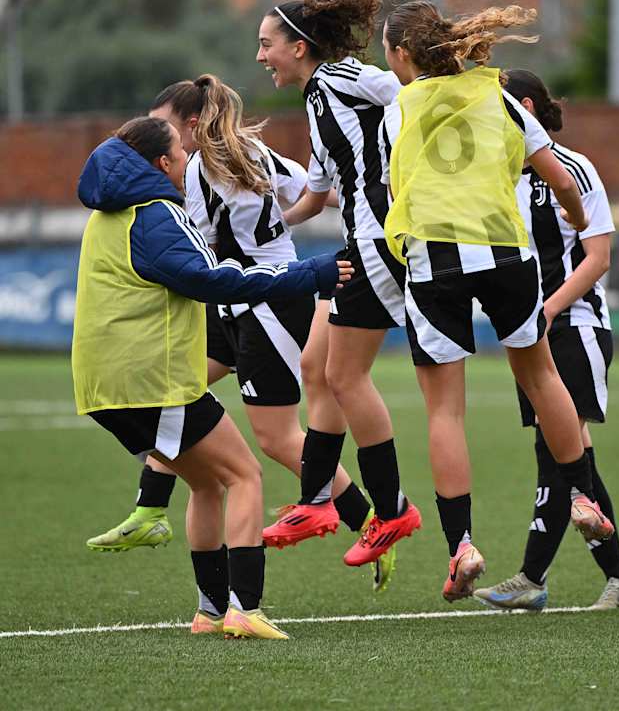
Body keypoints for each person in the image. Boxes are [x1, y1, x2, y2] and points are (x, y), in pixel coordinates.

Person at [85, 75, 394, 590]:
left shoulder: (204, 164)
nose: (157, 141)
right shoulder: (246, 154)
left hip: (262, 301)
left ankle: (367, 520)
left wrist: (350, 237)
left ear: (188, 126)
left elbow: (214, 259)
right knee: (178, 394)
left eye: (161, 128)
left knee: (274, 439)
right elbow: (319, 194)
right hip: (235, 302)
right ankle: (150, 509)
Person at [381, 1, 614, 602]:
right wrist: (575, 213)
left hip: (436, 260)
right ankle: (584, 496)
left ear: (403, 55)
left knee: (444, 410)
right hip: (509, 254)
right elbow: (561, 180)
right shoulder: (503, 99)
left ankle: (462, 545)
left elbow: (397, 188)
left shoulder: (397, 111)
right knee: (542, 378)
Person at [255, 0, 421, 567]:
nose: (260, 55)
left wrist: (408, 162)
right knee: (316, 368)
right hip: (358, 240)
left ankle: (393, 508)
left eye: (267, 43)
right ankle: (317, 499)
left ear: (299, 46)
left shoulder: (346, 77)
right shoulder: (316, 101)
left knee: (346, 378)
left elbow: (407, 91)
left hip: (379, 240)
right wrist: (264, 219)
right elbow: (317, 194)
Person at [474, 69, 619, 612]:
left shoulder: (573, 168)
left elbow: (599, 257)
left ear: (523, 108)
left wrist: (548, 308)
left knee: (554, 451)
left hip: (577, 326)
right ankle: (615, 580)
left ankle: (533, 578)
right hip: (530, 334)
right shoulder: (496, 174)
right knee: (568, 453)